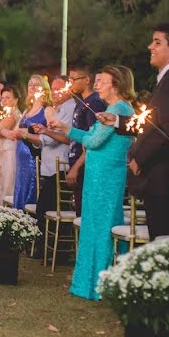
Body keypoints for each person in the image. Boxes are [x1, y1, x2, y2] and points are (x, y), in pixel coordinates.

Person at [100, 23, 169, 239]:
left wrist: (140, 158)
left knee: (164, 237)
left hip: (166, 174)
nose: (149, 47)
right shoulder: (168, 79)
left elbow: (168, 128)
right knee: (159, 235)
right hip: (159, 175)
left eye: (157, 42)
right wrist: (118, 121)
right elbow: (151, 123)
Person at [51, 66, 136, 300]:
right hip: (100, 175)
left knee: (100, 227)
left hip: (105, 177)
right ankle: (93, 281)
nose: (96, 85)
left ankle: (98, 283)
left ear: (116, 85)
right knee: (97, 225)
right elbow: (91, 138)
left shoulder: (119, 109)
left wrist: (70, 130)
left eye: (102, 82)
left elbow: (93, 140)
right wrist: (67, 129)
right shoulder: (114, 109)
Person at [31, 76, 76, 245]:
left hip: (61, 165)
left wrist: (39, 134)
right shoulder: (57, 109)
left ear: (68, 89)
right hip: (49, 166)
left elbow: (58, 137)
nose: (55, 92)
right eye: (53, 88)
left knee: (46, 209)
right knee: (45, 208)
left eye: (59, 88)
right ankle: (45, 248)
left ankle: (52, 248)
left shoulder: (69, 108)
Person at [63, 63, 106, 215]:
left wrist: (76, 168)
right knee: (79, 210)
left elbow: (92, 139)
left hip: (85, 166)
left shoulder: (94, 103)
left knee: (84, 212)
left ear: (87, 80)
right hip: (76, 161)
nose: (71, 83)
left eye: (74, 79)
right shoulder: (81, 102)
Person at [8, 75, 49, 210]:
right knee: (20, 188)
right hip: (21, 158)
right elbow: (15, 132)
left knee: (30, 189)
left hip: (33, 158)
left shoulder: (46, 110)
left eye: (36, 84)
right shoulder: (26, 111)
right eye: (30, 84)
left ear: (44, 89)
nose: (32, 87)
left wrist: (26, 134)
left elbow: (47, 136)